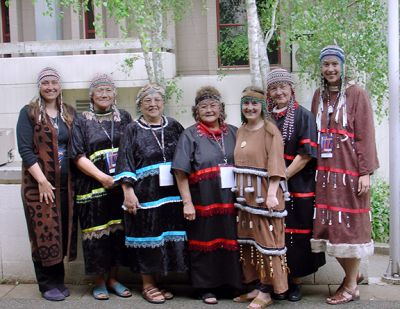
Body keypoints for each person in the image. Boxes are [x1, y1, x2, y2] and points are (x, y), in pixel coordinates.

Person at [310, 45, 379, 305]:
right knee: (330, 229)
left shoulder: (356, 94)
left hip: (350, 173)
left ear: (342, 66)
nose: (330, 69)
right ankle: (354, 274)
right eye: (326, 64)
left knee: (349, 231)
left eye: (334, 64)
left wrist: (365, 173)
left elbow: (366, 136)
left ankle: (351, 286)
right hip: (326, 175)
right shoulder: (319, 95)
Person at [115, 84, 187, 304]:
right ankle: (148, 284)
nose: (153, 104)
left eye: (157, 100)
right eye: (147, 101)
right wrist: (128, 191)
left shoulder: (174, 126)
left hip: (171, 194)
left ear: (163, 103)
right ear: (140, 105)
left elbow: (186, 155)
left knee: (165, 237)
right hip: (145, 194)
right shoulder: (132, 129)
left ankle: (161, 280)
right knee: (149, 237)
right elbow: (125, 160)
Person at [172, 86, 242, 305]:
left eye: (213, 105)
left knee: (231, 241)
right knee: (205, 242)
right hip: (202, 200)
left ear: (221, 109)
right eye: (204, 106)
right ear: (196, 111)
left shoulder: (234, 131)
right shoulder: (189, 134)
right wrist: (187, 203)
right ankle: (205, 288)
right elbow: (180, 171)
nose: (209, 110)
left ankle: (232, 285)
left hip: (231, 201)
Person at [16, 67, 77, 301]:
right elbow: (24, 149)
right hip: (37, 186)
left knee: (60, 232)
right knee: (43, 232)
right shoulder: (29, 112)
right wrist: (41, 180)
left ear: (60, 86)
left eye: (54, 82)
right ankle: (46, 284)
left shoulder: (69, 113)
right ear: (39, 86)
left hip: (65, 186)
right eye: (46, 83)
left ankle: (58, 281)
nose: (50, 87)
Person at [70, 74, 132, 300]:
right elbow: (76, 154)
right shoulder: (81, 119)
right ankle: (98, 282)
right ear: (91, 95)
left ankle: (114, 279)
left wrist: (122, 181)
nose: (104, 95)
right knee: (96, 235)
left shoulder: (124, 117)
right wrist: (102, 177)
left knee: (117, 232)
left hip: (119, 187)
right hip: (92, 187)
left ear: (114, 94)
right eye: (99, 91)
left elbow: (131, 148)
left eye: (108, 90)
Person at [266, 69, 326, 301]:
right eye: (274, 87)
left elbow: (307, 154)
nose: (279, 91)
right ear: (269, 92)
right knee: (272, 232)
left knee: (296, 232)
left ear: (292, 89)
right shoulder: (266, 117)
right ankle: (275, 279)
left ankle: (296, 281)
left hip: (298, 183)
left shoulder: (304, 116)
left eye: (283, 86)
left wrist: (281, 177)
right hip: (268, 185)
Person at [232, 86, 288, 309]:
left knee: (267, 242)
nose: (250, 107)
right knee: (249, 242)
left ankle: (267, 290)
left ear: (262, 107)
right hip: (245, 198)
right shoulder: (241, 130)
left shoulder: (270, 131)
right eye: (246, 103)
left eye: (254, 103)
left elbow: (276, 164)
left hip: (266, 196)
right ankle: (254, 285)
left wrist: (272, 194)